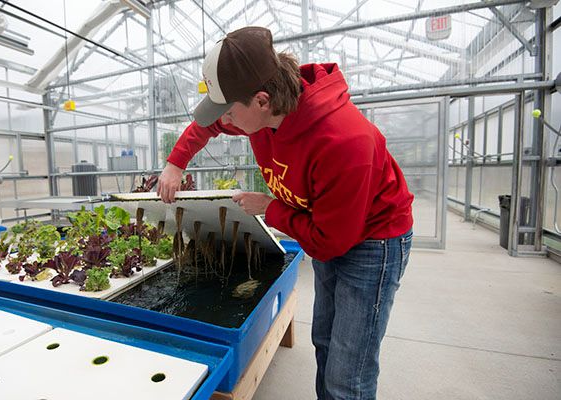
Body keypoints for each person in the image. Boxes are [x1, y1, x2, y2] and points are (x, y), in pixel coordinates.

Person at [157, 26, 414, 400]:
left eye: (229, 110)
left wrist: (272, 209)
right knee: (324, 339)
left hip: (374, 240)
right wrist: (175, 163)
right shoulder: (260, 114)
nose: (224, 121)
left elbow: (329, 243)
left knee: (349, 370)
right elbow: (208, 124)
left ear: (262, 101)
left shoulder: (343, 141)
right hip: (322, 222)